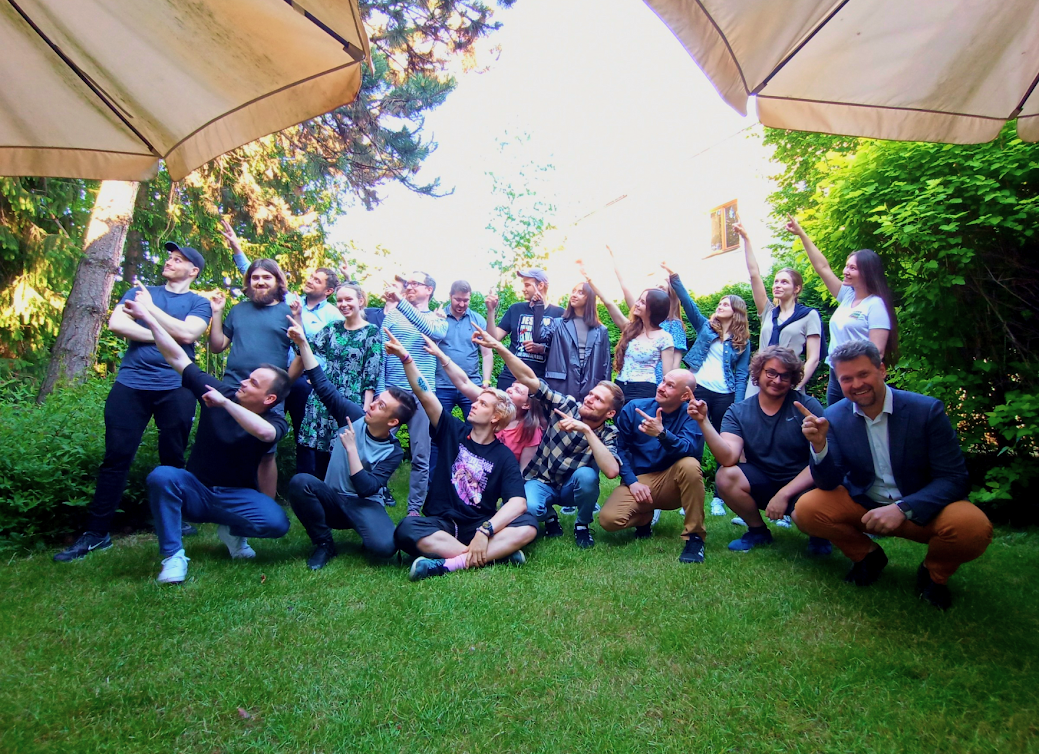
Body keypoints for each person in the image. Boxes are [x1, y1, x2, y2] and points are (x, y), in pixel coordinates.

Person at [794, 341, 993, 610]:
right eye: (847, 378)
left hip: (923, 507)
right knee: (807, 508)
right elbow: (828, 482)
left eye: (863, 374)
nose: (856, 384)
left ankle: (934, 574)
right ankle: (868, 557)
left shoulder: (926, 411)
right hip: (867, 504)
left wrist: (903, 509)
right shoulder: (834, 417)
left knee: (973, 527)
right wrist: (819, 446)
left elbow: (954, 478)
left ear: (882, 370)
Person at [54, 246, 212, 562]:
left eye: (178, 259)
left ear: (194, 270)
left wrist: (150, 313)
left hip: (178, 385)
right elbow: (117, 324)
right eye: (169, 257)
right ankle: (97, 534)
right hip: (131, 384)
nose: (169, 261)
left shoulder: (198, 302)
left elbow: (189, 331)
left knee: (173, 457)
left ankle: (174, 521)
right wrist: (164, 334)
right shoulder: (140, 291)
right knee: (116, 457)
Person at [125, 297, 291, 585]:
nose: (243, 382)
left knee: (276, 522)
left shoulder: (273, 420)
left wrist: (225, 405)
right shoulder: (221, 390)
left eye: (253, 383)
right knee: (162, 476)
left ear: (269, 399)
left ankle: (232, 533)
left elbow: (264, 435)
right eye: (247, 378)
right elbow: (177, 357)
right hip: (197, 490)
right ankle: (174, 557)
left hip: (236, 496)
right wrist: (149, 319)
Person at [385, 330, 538, 581]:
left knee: (529, 524)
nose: (474, 404)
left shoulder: (504, 457)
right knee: (407, 528)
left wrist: (485, 531)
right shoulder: (451, 430)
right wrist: (406, 359)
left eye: (483, 403)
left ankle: (448, 564)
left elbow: (518, 503)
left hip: (478, 524)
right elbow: (425, 394)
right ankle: (493, 556)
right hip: (442, 523)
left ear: (495, 418)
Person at [474, 326, 623, 549]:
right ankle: (550, 516)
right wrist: (498, 346)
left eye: (599, 400)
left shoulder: (608, 433)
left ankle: (582, 524)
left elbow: (611, 471)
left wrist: (587, 431)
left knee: (588, 476)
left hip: (571, 488)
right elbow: (528, 378)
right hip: (540, 480)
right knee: (530, 507)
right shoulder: (566, 405)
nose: (590, 399)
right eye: (591, 394)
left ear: (610, 413)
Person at [285, 319, 417, 569]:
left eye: (381, 406)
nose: (373, 405)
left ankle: (366, 529)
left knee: (386, 549)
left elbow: (367, 488)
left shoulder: (393, 451)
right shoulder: (353, 415)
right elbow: (323, 386)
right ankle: (324, 544)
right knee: (301, 482)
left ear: (393, 421)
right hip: (332, 499)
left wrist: (352, 450)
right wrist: (302, 343)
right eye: (377, 400)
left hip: (364, 503)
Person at [688, 345, 830, 555]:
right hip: (763, 481)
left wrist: (784, 494)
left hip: (803, 485)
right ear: (758, 373)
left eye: (784, 375)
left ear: (792, 379)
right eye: (771, 373)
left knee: (804, 516)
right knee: (726, 476)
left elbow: (820, 462)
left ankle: (819, 535)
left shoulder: (807, 407)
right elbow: (728, 458)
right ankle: (758, 531)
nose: (777, 380)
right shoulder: (738, 411)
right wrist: (704, 422)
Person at [220, 219, 343, 446]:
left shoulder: (334, 315)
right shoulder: (290, 301)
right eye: (311, 277)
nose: (310, 280)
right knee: (253, 432)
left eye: (317, 280)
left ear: (328, 291)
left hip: (309, 380)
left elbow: (336, 349)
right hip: (280, 377)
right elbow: (260, 277)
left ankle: (305, 479)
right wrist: (237, 249)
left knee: (302, 433)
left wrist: (316, 377)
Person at [665, 264, 751, 516]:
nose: (720, 306)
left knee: (726, 445)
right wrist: (675, 278)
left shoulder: (742, 342)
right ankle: (690, 493)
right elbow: (688, 303)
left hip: (725, 395)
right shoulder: (705, 327)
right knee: (695, 439)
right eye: (720, 303)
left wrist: (738, 402)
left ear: (736, 312)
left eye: (726, 304)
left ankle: (721, 498)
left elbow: (743, 374)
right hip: (698, 390)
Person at [786, 216, 899, 406]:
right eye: (847, 266)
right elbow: (822, 267)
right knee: (838, 425)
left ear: (866, 272)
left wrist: (859, 378)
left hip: (860, 377)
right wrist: (801, 234)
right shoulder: (847, 295)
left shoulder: (875, 305)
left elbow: (877, 352)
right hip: (836, 374)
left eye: (852, 268)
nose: (846, 271)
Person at [598, 370, 708, 563]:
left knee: (690, 465)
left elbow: (689, 450)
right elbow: (619, 449)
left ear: (684, 395)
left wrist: (662, 433)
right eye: (663, 381)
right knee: (609, 520)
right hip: (640, 482)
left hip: (673, 483)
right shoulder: (634, 408)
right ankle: (645, 518)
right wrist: (631, 482)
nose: (661, 387)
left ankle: (694, 538)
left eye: (670, 385)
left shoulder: (691, 414)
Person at [208, 257, 293, 499]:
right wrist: (217, 313)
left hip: (268, 394)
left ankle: (266, 507)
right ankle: (225, 502)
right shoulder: (238, 310)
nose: (260, 282)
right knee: (226, 445)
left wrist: (284, 383)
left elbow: (301, 353)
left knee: (266, 452)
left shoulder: (288, 313)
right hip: (233, 387)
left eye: (267, 277)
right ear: (249, 282)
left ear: (277, 281)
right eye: (255, 277)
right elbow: (217, 346)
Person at [290, 282, 382, 480]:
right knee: (318, 453)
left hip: (350, 400)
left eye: (348, 299)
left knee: (343, 453)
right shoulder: (332, 328)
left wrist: (365, 410)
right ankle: (316, 498)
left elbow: (371, 374)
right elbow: (305, 349)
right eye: (340, 300)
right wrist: (297, 329)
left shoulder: (371, 332)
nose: (343, 304)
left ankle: (341, 501)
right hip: (323, 397)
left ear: (360, 301)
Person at [423, 335, 545, 471]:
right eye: (512, 386)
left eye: (517, 391)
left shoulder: (530, 429)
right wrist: (441, 355)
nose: (510, 390)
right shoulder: (494, 404)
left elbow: (523, 471)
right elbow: (464, 382)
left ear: (526, 405)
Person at [381, 272, 449, 515]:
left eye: (415, 284)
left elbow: (430, 331)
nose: (409, 288)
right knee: (378, 448)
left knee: (421, 455)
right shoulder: (392, 317)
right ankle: (374, 496)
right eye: (407, 284)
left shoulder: (438, 320)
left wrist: (400, 302)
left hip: (422, 394)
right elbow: (381, 356)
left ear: (429, 290)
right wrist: (381, 392)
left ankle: (413, 510)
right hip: (393, 393)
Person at [736, 222, 823, 395]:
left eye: (784, 282)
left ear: (796, 288)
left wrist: (795, 386)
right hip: (760, 380)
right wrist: (746, 240)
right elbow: (754, 275)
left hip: (788, 381)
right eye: (776, 281)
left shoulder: (809, 315)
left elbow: (813, 358)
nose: (778, 285)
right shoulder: (768, 312)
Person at [581, 261, 677, 401]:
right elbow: (608, 302)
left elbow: (667, 376)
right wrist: (589, 279)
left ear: (654, 308)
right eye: (639, 300)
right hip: (620, 388)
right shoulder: (630, 328)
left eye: (643, 302)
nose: (636, 304)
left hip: (644, 391)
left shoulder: (665, 337)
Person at [428, 280, 493, 472]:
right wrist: (435, 321)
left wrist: (486, 381)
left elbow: (487, 353)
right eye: (458, 299)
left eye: (466, 300)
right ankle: (433, 481)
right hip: (441, 385)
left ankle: (471, 475)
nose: (462, 304)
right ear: (450, 296)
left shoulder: (477, 320)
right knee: (436, 433)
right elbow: (426, 346)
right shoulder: (438, 317)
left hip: (471, 385)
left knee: (478, 432)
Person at [605, 245, 688, 383]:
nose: (656, 289)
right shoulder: (642, 317)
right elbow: (625, 288)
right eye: (655, 286)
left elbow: (675, 364)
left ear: (668, 297)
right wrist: (614, 258)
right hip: (630, 380)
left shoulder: (674, 326)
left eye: (661, 288)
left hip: (656, 383)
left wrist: (667, 388)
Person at [484, 269, 564, 390]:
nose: (523, 289)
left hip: (540, 382)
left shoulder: (559, 314)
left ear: (541, 285)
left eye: (527, 285)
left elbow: (563, 352)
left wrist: (542, 349)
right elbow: (492, 339)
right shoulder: (516, 309)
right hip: (510, 378)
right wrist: (491, 311)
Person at [539, 282, 612, 402]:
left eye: (580, 292)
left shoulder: (601, 330)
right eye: (573, 291)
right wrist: (538, 308)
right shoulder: (558, 323)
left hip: (590, 385)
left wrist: (606, 392)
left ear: (589, 298)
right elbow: (538, 336)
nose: (574, 295)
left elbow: (606, 364)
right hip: (561, 384)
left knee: (585, 419)